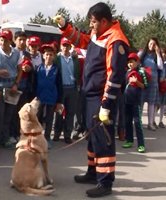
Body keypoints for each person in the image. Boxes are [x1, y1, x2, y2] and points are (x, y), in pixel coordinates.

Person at [54, 2, 129, 197]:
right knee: (91, 137)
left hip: (101, 98)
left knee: (103, 139)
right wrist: (65, 27)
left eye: (94, 21)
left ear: (104, 21)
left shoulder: (115, 40)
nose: (91, 25)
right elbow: (81, 39)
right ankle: (93, 172)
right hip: (89, 95)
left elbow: (115, 77)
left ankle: (105, 182)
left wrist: (106, 105)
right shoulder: (99, 34)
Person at [0, 29, 23, 148]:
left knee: (9, 115)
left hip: (12, 88)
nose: (2, 42)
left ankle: (5, 138)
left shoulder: (17, 53)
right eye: (1, 39)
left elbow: (20, 70)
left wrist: (16, 84)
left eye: (5, 40)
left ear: (10, 41)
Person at [34, 43, 63, 148]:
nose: (48, 57)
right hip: (39, 97)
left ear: (54, 56)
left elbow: (59, 85)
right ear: (43, 55)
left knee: (49, 119)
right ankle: (37, 138)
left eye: (51, 55)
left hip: (51, 97)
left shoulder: (57, 69)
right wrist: (34, 97)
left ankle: (46, 139)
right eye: (46, 54)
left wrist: (59, 101)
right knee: (37, 118)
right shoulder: (38, 68)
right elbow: (34, 84)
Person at [53, 37, 81, 144]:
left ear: (70, 47)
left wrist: (78, 85)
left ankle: (67, 135)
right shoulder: (57, 59)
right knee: (59, 112)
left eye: (67, 45)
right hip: (61, 88)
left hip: (72, 89)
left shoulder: (74, 59)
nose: (65, 47)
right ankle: (56, 133)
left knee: (70, 113)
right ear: (61, 46)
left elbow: (78, 72)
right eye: (63, 45)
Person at [122, 53, 147, 153]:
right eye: (129, 62)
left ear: (137, 62)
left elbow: (145, 86)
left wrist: (137, 82)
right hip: (127, 100)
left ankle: (141, 144)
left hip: (136, 101)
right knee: (127, 121)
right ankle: (129, 140)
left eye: (132, 62)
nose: (130, 64)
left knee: (137, 122)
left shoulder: (141, 72)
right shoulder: (127, 72)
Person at [139, 37, 163, 131]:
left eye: (154, 44)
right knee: (140, 103)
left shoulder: (156, 55)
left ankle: (150, 123)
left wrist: (157, 53)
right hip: (142, 81)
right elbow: (137, 64)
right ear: (147, 43)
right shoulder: (142, 54)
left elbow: (160, 66)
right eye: (150, 44)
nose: (151, 46)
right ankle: (139, 123)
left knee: (151, 104)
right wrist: (142, 69)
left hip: (153, 82)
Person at [158, 47, 166, 127]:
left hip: (165, 86)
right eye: (162, 53)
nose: (163, 55)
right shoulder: (158, 62)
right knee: (155, 104)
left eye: (165, 53)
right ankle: (152, 121)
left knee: (162, 104)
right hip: (157, 85)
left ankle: (160, 121)